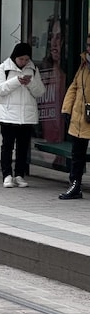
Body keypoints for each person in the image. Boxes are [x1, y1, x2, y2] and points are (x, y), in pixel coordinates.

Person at [0, 42, 45, 189]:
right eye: (21, 59)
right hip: (8, 115)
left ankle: (19, 175)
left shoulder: (33, 69)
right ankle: (7, 175)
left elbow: (40, 91)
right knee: (7, 146)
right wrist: (16, 81)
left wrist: (30, 83)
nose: (24, 62)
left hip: (26, 116)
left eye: (26, 59)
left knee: (22, 147)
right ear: (15, 57)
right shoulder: (4, 67)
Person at [59, 35, 90, 199]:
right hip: (80, 117)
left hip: (86, 114)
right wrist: (67, 109)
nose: (88, 48)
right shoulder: (84, 64)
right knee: (77, 154)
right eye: (88, 45)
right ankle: (75, 185)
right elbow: (74, 87)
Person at [39, 15, 67, 143]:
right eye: (51, 37)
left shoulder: (68, 74)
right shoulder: (44, 70)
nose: (54, 43)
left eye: (59, 37)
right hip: (45, 136)